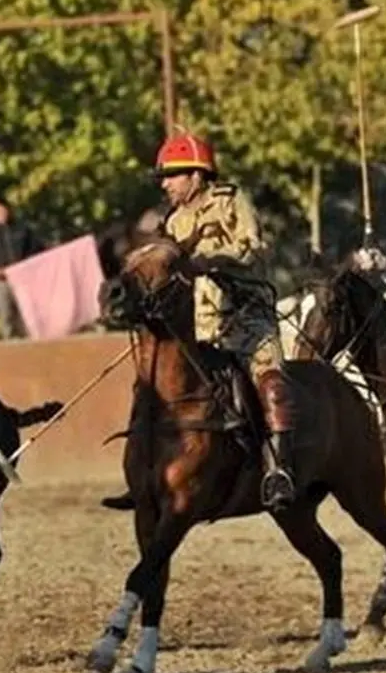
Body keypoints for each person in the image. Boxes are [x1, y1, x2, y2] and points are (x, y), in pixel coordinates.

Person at [101, 132, 296, 512]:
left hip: (246, 318)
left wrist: (211, 258)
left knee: (270, 382)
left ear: (197, 174)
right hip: (197, 327)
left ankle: (279, 470)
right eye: (164, 178)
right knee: (149, 384)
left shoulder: (230, 201)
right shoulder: (172, 221)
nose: (165, 184)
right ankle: (143, 473)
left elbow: (254, 248)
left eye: (172, 176)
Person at [0, 197, 40, 339]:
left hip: (23, 278)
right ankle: (9, 344)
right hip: (2, 280)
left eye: (4, 210)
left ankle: (31, 342)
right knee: (6, 314)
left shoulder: (22, 230)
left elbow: (35, 250)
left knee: (27, 312)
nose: (2, 213)